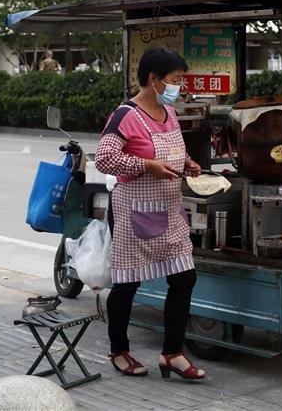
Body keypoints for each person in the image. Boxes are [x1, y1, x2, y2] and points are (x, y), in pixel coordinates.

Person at [94, 46, 205, 380]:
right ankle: (118, 350)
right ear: (154, 79)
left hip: (170, 210)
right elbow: (104, 158)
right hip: (134, 211)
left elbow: (172, 151)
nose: (179, 87)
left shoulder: (168, 113)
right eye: (174, 80)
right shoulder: (125, 115)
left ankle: (172, 352)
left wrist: (186, 163)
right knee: (128, 284)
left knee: (184, 277)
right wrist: (146, 165)